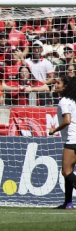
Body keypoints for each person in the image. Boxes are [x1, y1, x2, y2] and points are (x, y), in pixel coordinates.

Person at [49, 76, 76, 209]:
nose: (55, 84)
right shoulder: (73, 100)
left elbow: (67, 120)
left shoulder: (64, 101)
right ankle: (68, 203)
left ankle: (68, 203)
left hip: (72, 140)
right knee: (69, 172)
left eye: (58, 82)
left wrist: (54, 130)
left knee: (66, 172)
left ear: (65, 87)